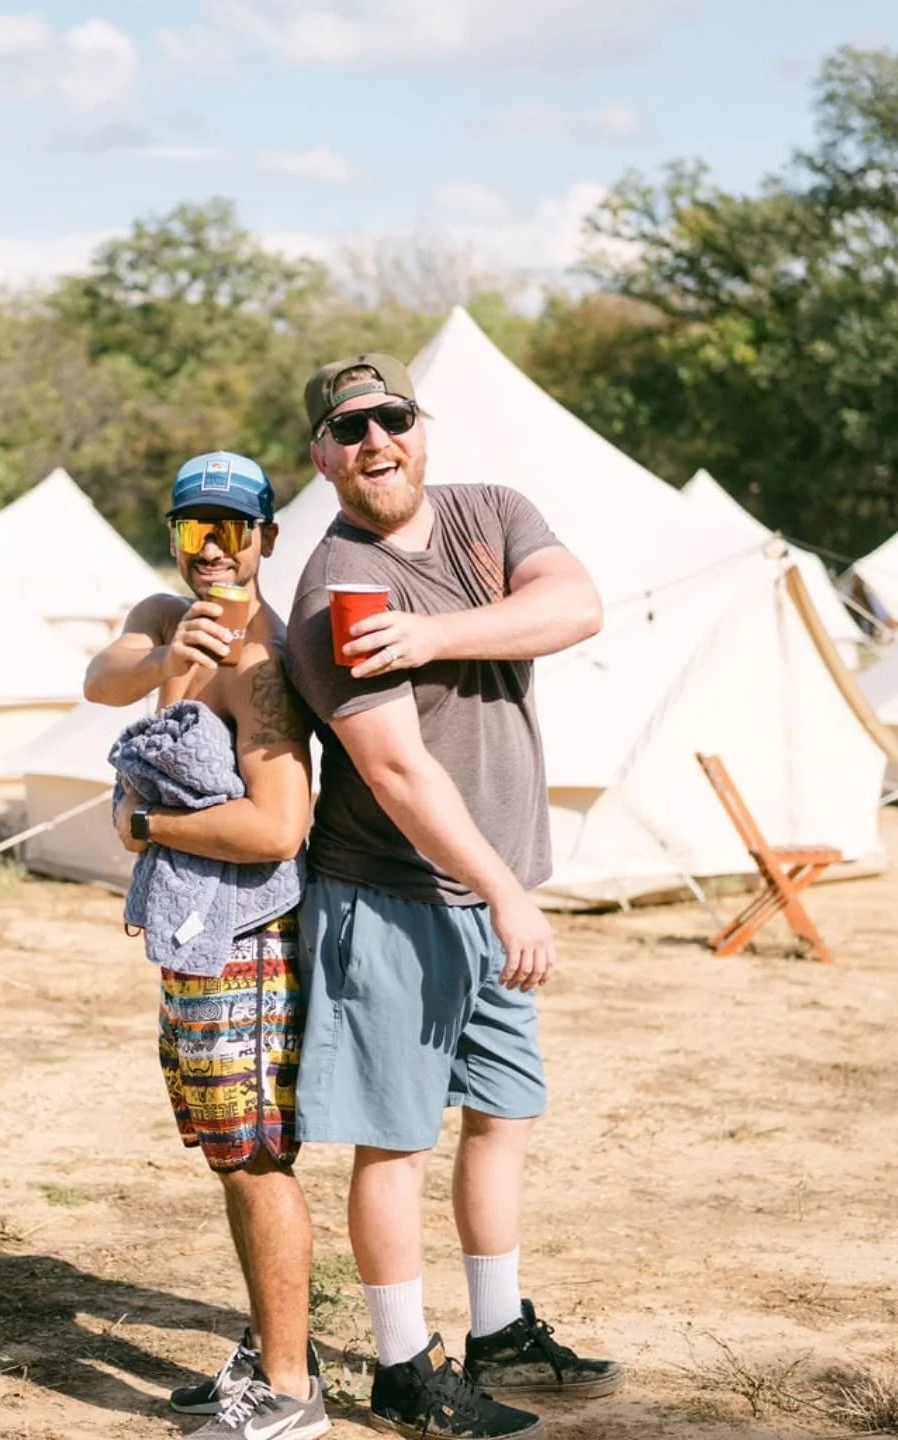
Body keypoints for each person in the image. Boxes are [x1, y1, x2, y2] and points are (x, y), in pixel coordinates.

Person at [283, 354, 622, 1439]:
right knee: (398, 1140)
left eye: (393, 418)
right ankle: (398, 1368)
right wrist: (503, 895)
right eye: (351, 428)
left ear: (420, 428)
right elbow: (394, 772)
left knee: (505, 1115)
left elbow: (576, 606)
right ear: (322, 456)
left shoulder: (491, 514)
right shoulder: (336, 588)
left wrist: (434, 636)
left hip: (493, 893)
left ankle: (497, 1326)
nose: (377, 440)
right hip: (393, 896)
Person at [84, 452, 326, 1440]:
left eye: (236, 532)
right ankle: (272, 1354)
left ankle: (291, 1395)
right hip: (196, 939)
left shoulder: (259, 669)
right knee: (229, 1157)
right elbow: (102, 679)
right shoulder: (159, 617)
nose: (216, 552)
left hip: (253, 944)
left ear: (268, 540)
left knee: (259, 1160)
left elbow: (278, 830)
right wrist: (161, 658)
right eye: (196, 533)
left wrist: (147, 830)